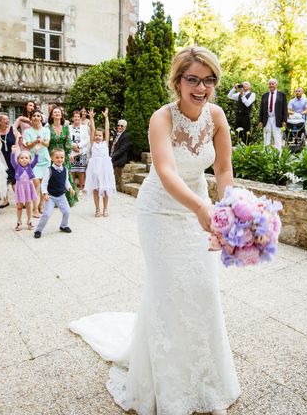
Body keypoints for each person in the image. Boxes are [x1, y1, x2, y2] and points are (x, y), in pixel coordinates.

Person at [69, 46, 239, 415]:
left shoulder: (218, 116)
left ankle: (204, 381)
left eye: (208, 80)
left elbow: (223, 171)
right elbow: (166, 170)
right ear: (177, 82)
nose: (201, 88)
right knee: (168, 291)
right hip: (161, 209)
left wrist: (226, 210)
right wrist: (199, 207)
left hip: (200, 203)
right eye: (193, 79)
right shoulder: (161, 118)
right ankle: (168, 388)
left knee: (203, 289)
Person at [33, 147, 75, 239]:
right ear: (52, 158)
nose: (59, 159)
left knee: (67, 211)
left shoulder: (65, 169)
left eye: (61, 157)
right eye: (57, 157)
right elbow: (44, 184)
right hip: (50, 196)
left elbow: (66, 181)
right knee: (47, 214)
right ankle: (38, 230)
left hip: (61, 195)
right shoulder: (49, 170)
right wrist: (45, 193)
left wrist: (70, 188)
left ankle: (64, 225)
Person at [85, 108, 117, 217]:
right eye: (96, 135)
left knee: (106, 188)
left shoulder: (105, 143)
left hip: (105, 168)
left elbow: (107, 129)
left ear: (103, 137)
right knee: (95, 188)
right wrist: (91, 118)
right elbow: (92, 129)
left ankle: (105, 208)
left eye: (100, 135)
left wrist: (106, 117)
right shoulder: (93, 143)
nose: (97, 137)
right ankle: (97, 209)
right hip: (94, 168)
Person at [22, 110, 51, 217]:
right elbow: (28, 146)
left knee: (44, 184)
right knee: (35, 183)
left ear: (41, 118)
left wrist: (41, 141)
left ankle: (41, 205)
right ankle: (34, 208)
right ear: (31, 118)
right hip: (33, 160)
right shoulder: (27, 131)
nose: (36, 117)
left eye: (38, 116)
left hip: (45, 159)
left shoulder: (46, 130)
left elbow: (47, 144)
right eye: (34, 116)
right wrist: (35, 141)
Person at [48, 106, 78, 206]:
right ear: (52, 115)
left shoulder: (65, 128)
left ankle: (68, 199)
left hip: (62, 154)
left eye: (59, 112)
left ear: (61, 115)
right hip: (51, 154)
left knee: (65, 175)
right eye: (55, 112)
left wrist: (69, 154)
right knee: (53, 176)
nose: (57, 114)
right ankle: (53, 200)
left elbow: (68, 142)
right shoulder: (47, 127)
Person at [10, 140, 40, 230]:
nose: (24, 160)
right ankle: (19, 221)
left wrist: (37, 152)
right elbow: (12, 161)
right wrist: (13, 153)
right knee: (19, 205)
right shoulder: (17, 166)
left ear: (29, 160)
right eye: (21, 158)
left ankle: (29, 221)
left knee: (28, 204)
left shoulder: (30, 166)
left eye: (26, 158)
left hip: (28, 187)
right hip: (20, 187)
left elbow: (36, 160)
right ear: (18, 160)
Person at [0, 112, 17, 208]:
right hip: (0, 157)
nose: (8, 120)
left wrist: (16, 145)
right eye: (5, 119)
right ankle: (5, 200)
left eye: (8, 119)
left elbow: (19, 138)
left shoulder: (12, 129)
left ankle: (20, 199)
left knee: (15, 179)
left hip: (12, 157)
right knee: (4, 179)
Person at [258, 78, 288, 151]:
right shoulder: (264, 95)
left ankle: (278, 155)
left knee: (277, 137)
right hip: (266, 119)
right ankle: (266, 153)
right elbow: (261, 109)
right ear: (268, 85)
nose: (271, 85)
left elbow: (285, 108)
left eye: (273, 84)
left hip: (277, 119)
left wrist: (284, 120)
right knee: (266, 136)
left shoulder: (282, 95)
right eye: (270, 84)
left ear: (276, 85)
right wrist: (260, 121)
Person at [69, 110, 91, 191]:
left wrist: (79, 145)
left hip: (81, 151)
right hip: (71, 152)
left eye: (78, 116)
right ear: (72, 118)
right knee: (72, 171)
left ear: (80, 118)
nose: (76, 118)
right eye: (75, 116)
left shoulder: (85, 127)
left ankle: (81, 188)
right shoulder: (68, 127)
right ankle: (73, 188)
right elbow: (67, 138)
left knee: (81, 171)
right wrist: (73, 146)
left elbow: (87, 139)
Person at [110, 118, 131, 191]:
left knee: (110, 166)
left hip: (120, 158)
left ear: (125, 127)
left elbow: (122, 149)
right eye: (118, 125)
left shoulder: (126, 136)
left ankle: (111, 186)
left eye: (121, 126)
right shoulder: (116, 134)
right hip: (113, 156)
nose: (119, 127)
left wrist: (112, 157)